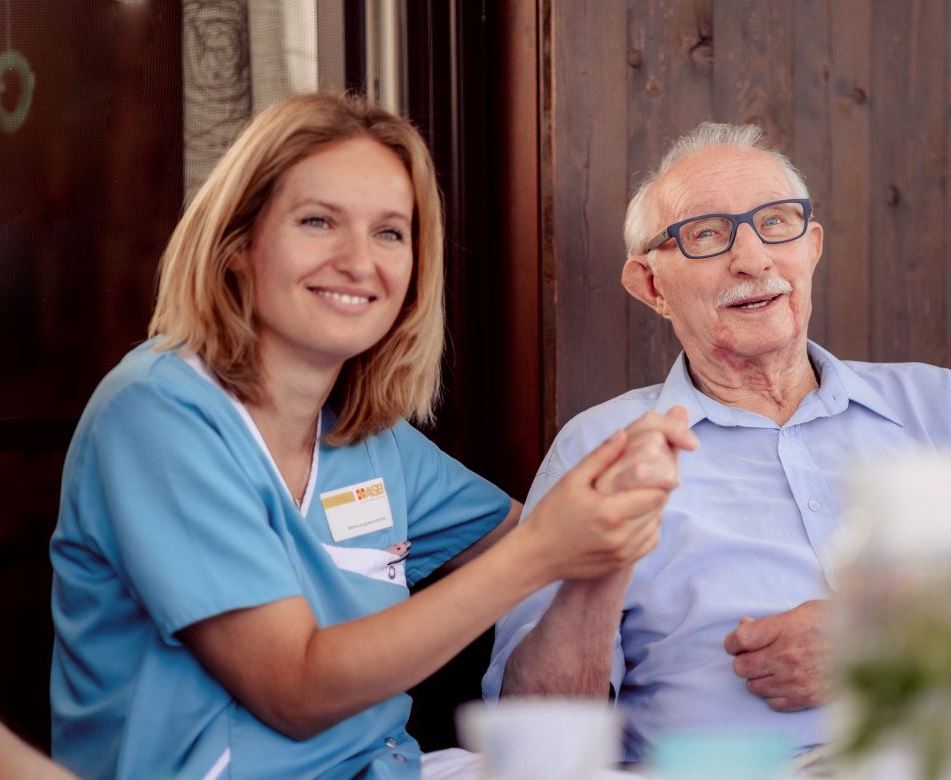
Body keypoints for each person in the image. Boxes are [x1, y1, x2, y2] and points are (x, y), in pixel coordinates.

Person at [48, 92, 696, 780]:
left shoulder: (368, 436)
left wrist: (621, 502)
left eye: (390, 232)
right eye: (319, 221)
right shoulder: (157, 415)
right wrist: (544, 550)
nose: (361, 262)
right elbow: (293, 691)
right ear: (237, 244)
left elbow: (528, 533)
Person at [483, 122, 951, 764]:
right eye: (706, 235)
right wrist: (598, 568)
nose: (753, 259)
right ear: (651, 286)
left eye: (777, 223)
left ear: (813, 247)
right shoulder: (603, 447)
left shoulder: (930, 406)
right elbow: (536, 724)